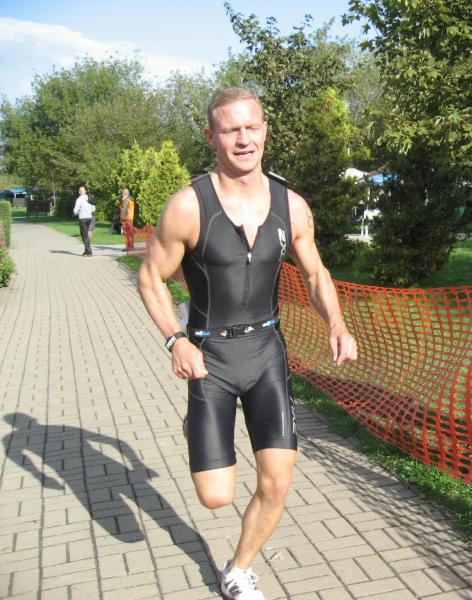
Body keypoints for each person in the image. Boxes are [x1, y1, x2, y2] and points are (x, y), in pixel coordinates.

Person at [137, 87, 358, 600]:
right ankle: (198, 424)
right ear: (211, 136)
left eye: (252, 127)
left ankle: (238, 569)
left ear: (264, 131)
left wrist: (336, 323)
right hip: (209, 358)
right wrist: (175, 340)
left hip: (266, 354)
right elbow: (150, 278)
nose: (243, 139)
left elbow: (316, 273)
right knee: (216, 497)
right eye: (230, 129)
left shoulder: (291, 205)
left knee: (277, 480)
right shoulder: (189, 205)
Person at [73, 185, 95, 256]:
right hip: (89, 218)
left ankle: (89, 252)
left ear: (79, 192)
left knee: (84, 235)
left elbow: (75, 210)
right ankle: (86, 250)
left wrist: (76, 212)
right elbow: (93, 209)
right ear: (85, 191)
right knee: (85, 234)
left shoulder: (79, 199)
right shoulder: (89, 198)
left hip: (83, 218)